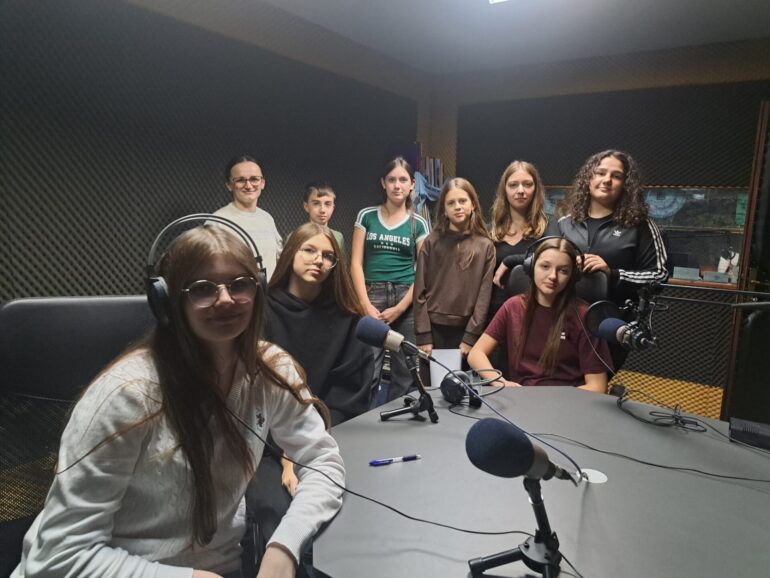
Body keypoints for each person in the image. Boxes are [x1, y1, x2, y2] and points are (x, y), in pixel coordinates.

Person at [12, 226, 344, 578]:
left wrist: (285, 546)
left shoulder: (271, 371)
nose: (226, 299)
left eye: (239, 284)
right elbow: (56, 558)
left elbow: (323, 461)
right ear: (167, 300)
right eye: (203, 289)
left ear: (258, 289)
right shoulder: (126, 396)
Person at [248, 223, 376, 570]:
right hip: (264, 443)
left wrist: (305, 446)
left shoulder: (348, 320)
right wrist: (285, 453)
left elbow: (348, 397)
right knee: (275, 508)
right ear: (291, 254)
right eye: (309, 250)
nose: (319, 260)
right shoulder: (257, 312)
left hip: (327, 437)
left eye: (328, 256)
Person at [468, 237, 611, 392]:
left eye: (563, 271)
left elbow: (597, 386)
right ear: (531, 267)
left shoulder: (585, 316)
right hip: (522, 397)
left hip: (566, 401)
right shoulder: (513, 306)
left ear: (572, 276)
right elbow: (476, 353)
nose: (553, 276)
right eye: (545, 266)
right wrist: (500, 382)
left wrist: (553, 400)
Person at [351, 157, 429, 403]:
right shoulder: (366, 216)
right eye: (392, 180)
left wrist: (400, 308)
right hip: (371, 295)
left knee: (404, 370)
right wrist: (365, 304)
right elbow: (355, 263)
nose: (397, 185)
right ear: (383, 183)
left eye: (403, 180)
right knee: (368, 367)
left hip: (406, 298)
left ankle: (395, 420)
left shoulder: (418, 223)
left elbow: (424, 272)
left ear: (412, 184)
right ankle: (363, 419)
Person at [547, 149, 668, 307]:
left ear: (626, 185)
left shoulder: (641, 225)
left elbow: (659, 276)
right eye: (600, 173)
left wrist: (612, 273)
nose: (607, 180)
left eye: (616, 176)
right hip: (566, 315)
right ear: (588, 179)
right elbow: (543, 265)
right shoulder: (564, 224)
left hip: (615, 316)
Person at [413, 178, 495, 368]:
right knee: (432, 384)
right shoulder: (431, 242)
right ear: (444, 209)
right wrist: (424, 334)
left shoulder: (485, 245)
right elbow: (419, 290)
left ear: (473, 205)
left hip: (465, 333)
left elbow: (484, 297)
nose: (457, 207)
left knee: (462, 385)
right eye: (451, 203)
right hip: (433, 331)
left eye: (463, 201)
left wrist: (471, 336)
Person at [488, 160, 548, 319]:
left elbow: (553, 259)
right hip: (495, 315)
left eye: (527, 184)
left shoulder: (550, 227)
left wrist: (511, 260)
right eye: (513, 185)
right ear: (504, 190)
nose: (520, 190)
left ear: (536, 189)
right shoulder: (489, 232)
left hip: (536, 314)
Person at [215, 155, 283, 278]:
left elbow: (279, 256)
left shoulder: (267, 218)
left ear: (262, 183)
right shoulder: (218, 221)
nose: (248, 185)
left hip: (269, 289)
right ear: (229, 185)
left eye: (254, 179)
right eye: (240, 180)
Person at [302, 181, 345, 252]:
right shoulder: (295, 236)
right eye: (316, 203)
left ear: (333, 207)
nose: (322, 210)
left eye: (327, 204)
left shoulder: (338, 237)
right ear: (306, 206)